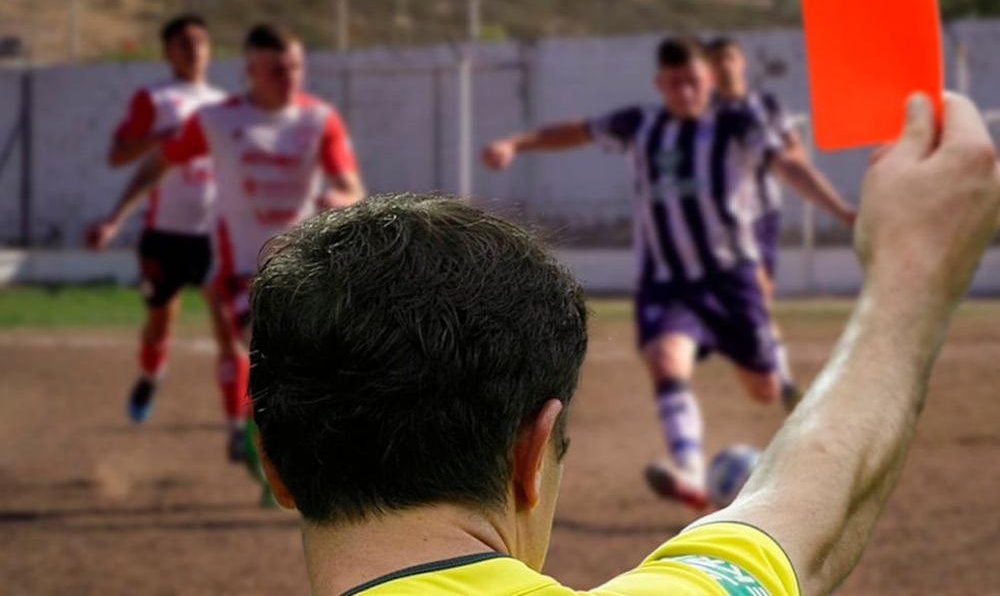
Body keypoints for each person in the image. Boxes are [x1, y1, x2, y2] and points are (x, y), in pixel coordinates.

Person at [248, 91, 999, 596]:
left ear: (274, 463)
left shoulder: (723, 125)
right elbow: (816, 501)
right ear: (530, 452)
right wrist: (911, 277)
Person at [481, 37, 856, 509]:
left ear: (709, 81)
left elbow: (790, 167)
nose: (684, 92)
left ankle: (784, 392)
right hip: (667, 282)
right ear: (662, 83)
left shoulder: (737, 124)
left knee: (760, 388)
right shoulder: (641, 125)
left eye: (693, 82)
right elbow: (576, 131)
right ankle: (691, 472)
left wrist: (841, 210)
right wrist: (517, 142)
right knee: (664, 360)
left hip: (729, 278)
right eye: (674, 83)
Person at [88, 23, 366, 463]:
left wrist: (343, 199)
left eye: (295, 67)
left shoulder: (319, 118)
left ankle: (260, 435)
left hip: (304, 265)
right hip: (239, 269)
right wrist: (114, 218)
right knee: (261, 344)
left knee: (316, 357)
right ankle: (251, 430)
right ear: (251, 70)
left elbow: (353, 188)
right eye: (277, 70)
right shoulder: (216, 119)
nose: (289, 78)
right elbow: (155, 164)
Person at [88, 13, 228, 425]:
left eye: (201, 41)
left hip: (213, 235)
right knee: (160, 320)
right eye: (184, 42)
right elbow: (117, 154)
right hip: (165, 233)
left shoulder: (224, 105)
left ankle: (239, 424)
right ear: (168, 52)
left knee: (227, 325)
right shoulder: (155, 99)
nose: (194, 49)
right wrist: (158, 139)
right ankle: (151, 375)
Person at [706, 35, 856, 411]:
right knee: (755, 296)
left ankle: (767, 366)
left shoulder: (767, 104)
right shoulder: (702, 111)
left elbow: (793, 152)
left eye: (728, 57)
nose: (723, 66)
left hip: (764, 218)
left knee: (761, 301)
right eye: (715, 60)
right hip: (722, 220)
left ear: (741, 62)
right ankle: (786, 384)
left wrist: (793, 164)